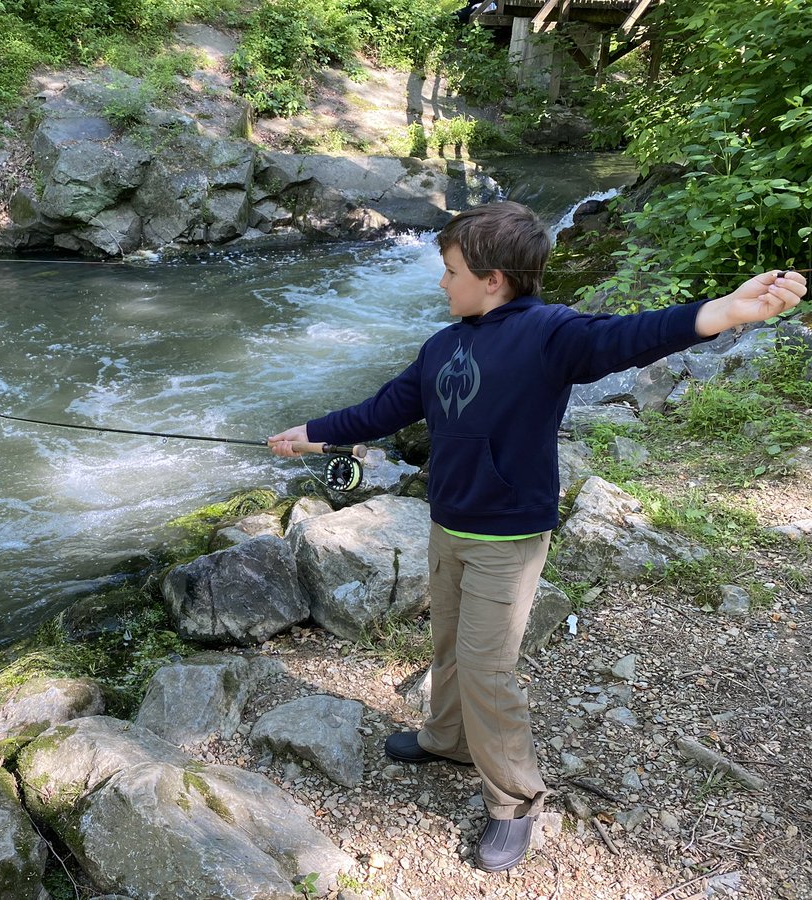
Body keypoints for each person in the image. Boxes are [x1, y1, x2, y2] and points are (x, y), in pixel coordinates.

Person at [268, 201, 807, 873]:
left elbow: (631, 335)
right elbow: (388, 405)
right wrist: (314, 432)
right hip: (448, 522)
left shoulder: (551, 334)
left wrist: (725, 312)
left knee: (490, 669)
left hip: (508, 537)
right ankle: (446, 739)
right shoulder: (444, 343)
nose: (442, 283)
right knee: (448, 644)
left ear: (493, 278)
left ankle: (515, 804)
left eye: (451, 271)